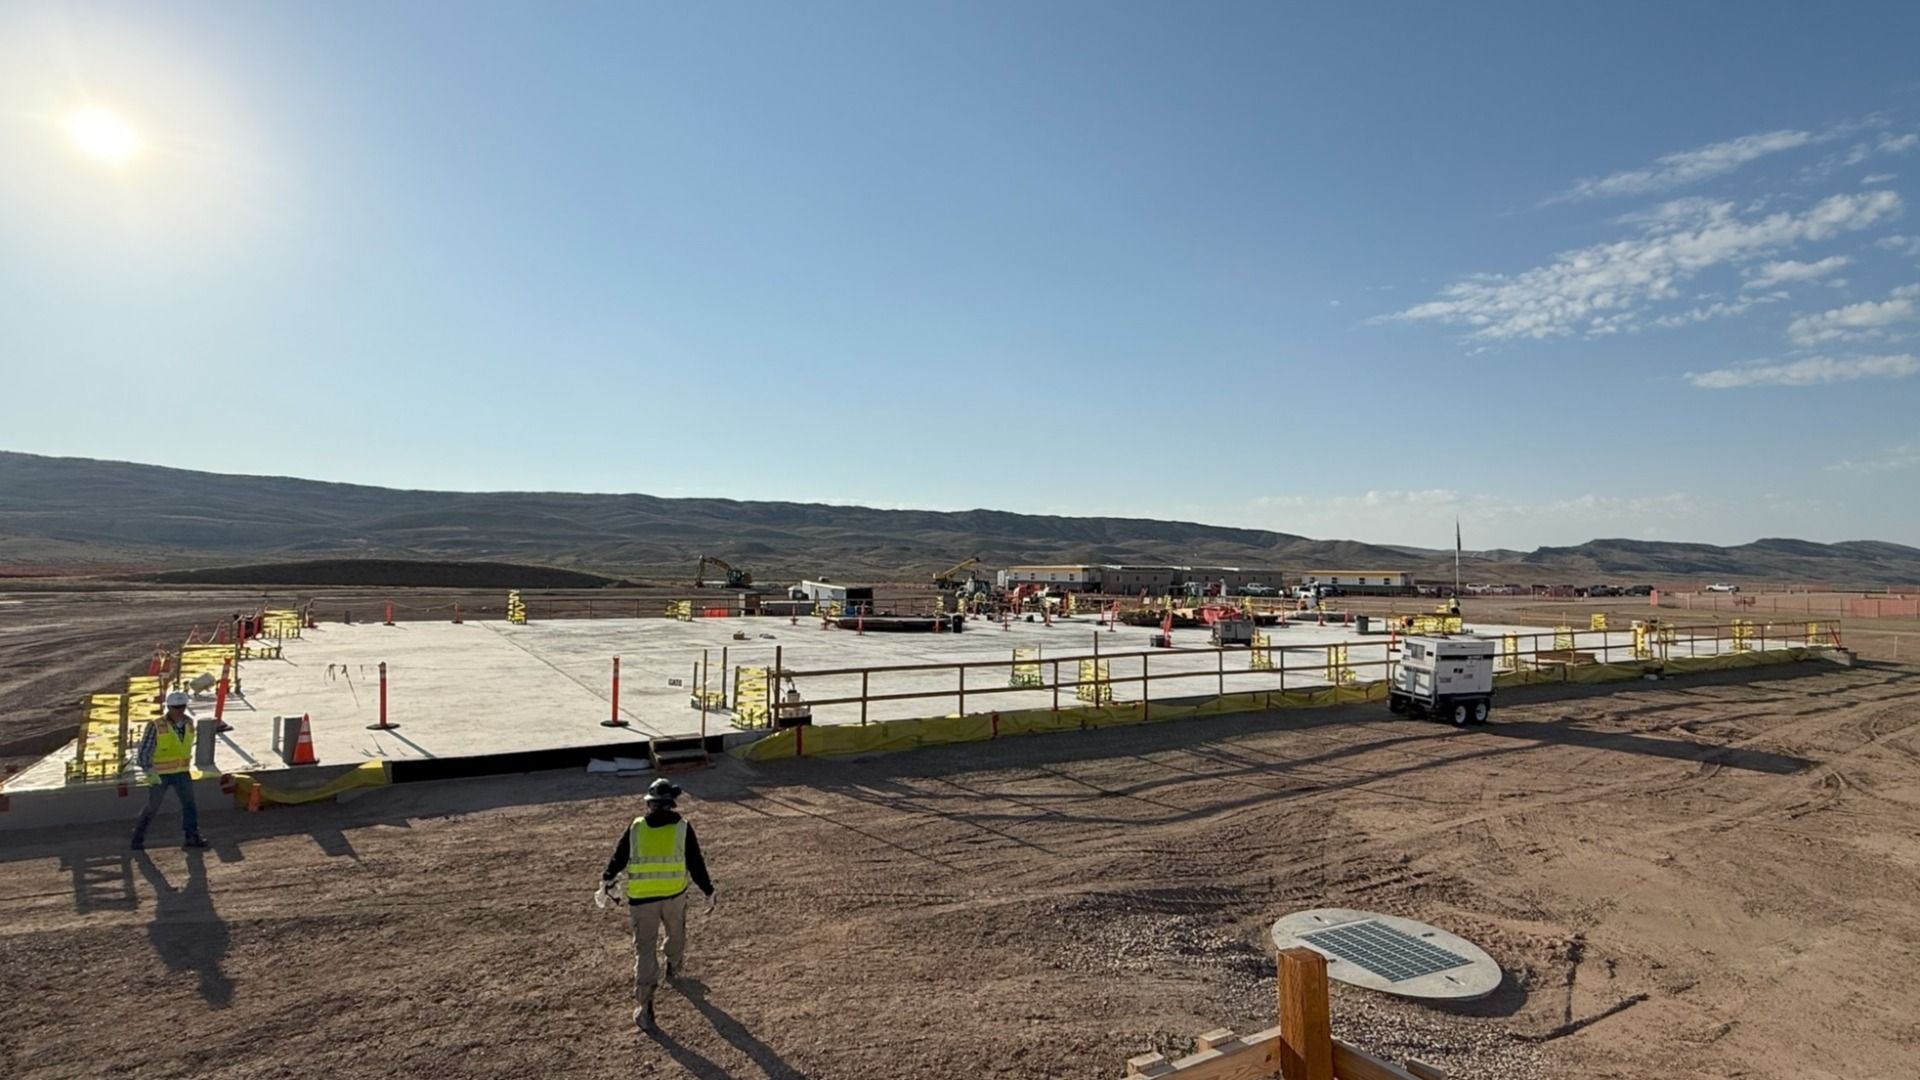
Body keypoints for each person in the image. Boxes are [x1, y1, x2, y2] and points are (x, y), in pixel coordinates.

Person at [601, 777, 715, 1028]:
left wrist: (607, 879)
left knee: (644, 951)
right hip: (674, 896)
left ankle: (645, 1005)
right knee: (676, 934)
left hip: (642, 901)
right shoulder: (683, 828)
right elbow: (695, 863)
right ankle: (673, 965)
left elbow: (619, 857)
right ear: (671, 804)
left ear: (650, 803)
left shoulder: (636, 828)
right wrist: (708, 890)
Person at [132, 690, 209, 851]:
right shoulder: (156, 725)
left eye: (182, 707)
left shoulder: (189, 723)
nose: (179, 710)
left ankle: (192, 836)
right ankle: (137, 838)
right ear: (169, 707)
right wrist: (149, 771)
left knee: (189, 805)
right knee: (152, 807)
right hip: (160, 774)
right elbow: (145, 750)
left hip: (182, 772)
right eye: (176, 707)